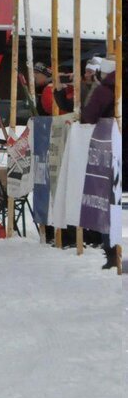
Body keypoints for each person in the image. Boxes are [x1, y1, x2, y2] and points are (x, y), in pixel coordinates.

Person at [79, 59, 118, 269]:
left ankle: (111, 252)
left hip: (109, 151)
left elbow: (89, 116)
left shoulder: (103, 90)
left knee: (107, 201)